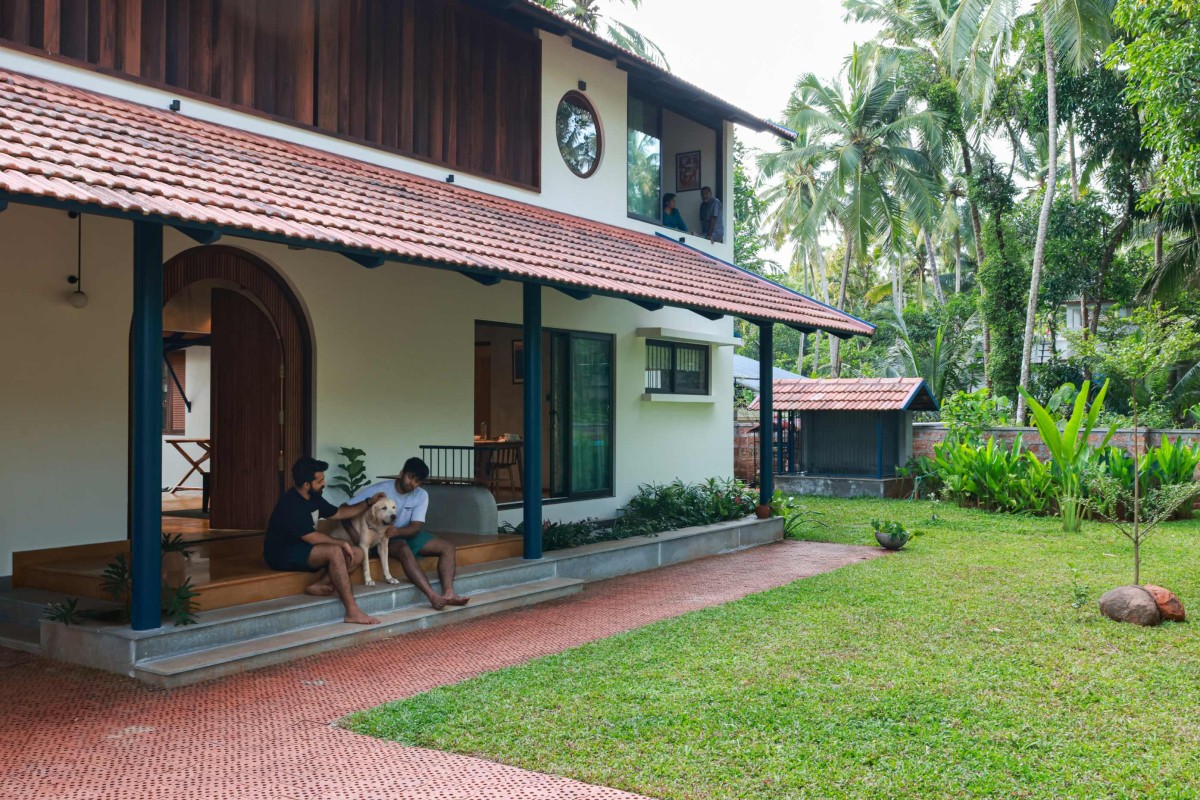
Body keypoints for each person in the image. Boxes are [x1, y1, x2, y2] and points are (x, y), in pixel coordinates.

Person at [263, 457, 385, 625]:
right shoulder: (290, 504)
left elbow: (339, 513)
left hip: (304, 549)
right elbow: (310, 537)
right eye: (320, 481)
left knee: (357, 553)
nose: (324, 483)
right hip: (283, 553)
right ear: (307, 484)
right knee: (335, 551)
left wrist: (369, 502)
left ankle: (319, 585)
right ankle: (352, 611)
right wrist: (341, 543)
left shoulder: (313, 497)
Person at [343, 457, 469, 610]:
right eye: (410, 477)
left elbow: (416, 527)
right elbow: (344, 510)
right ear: (401, 473)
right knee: (403, 548)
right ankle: (432, 596)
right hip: (383, 536)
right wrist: (355, 536)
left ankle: (449, 593)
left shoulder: (421, 495)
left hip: (405, 532)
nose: (412, 483)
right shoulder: (380, 490)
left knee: (447, 547)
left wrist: (398, 531)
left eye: (417, 481)